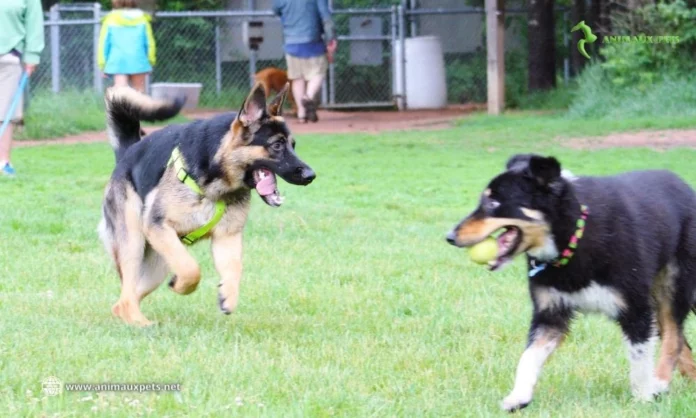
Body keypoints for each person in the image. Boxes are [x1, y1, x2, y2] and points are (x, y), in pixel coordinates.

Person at [273, 0, 337, 123]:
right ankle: (308, 97)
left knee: (297, 77)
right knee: (318, 72)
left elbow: (276, 9)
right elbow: (326, 17)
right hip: (313, 41)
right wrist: (330, 39)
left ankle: (302, 114)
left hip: (291, 41)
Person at [0, 0, 45, 177]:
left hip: (10, 58)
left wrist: (32, 54)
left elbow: (34, 22)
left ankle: (3, 162)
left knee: (4, 114)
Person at [98, 0, 156, 94]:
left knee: (121, 91)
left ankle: (122, 108)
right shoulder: (143, 19)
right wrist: (150, 61)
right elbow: (149, 43)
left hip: (118, 61)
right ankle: (138, 108)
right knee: (139, 91)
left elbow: (104, 43)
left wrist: (102, 64)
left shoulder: (110, 19)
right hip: (138, 59)